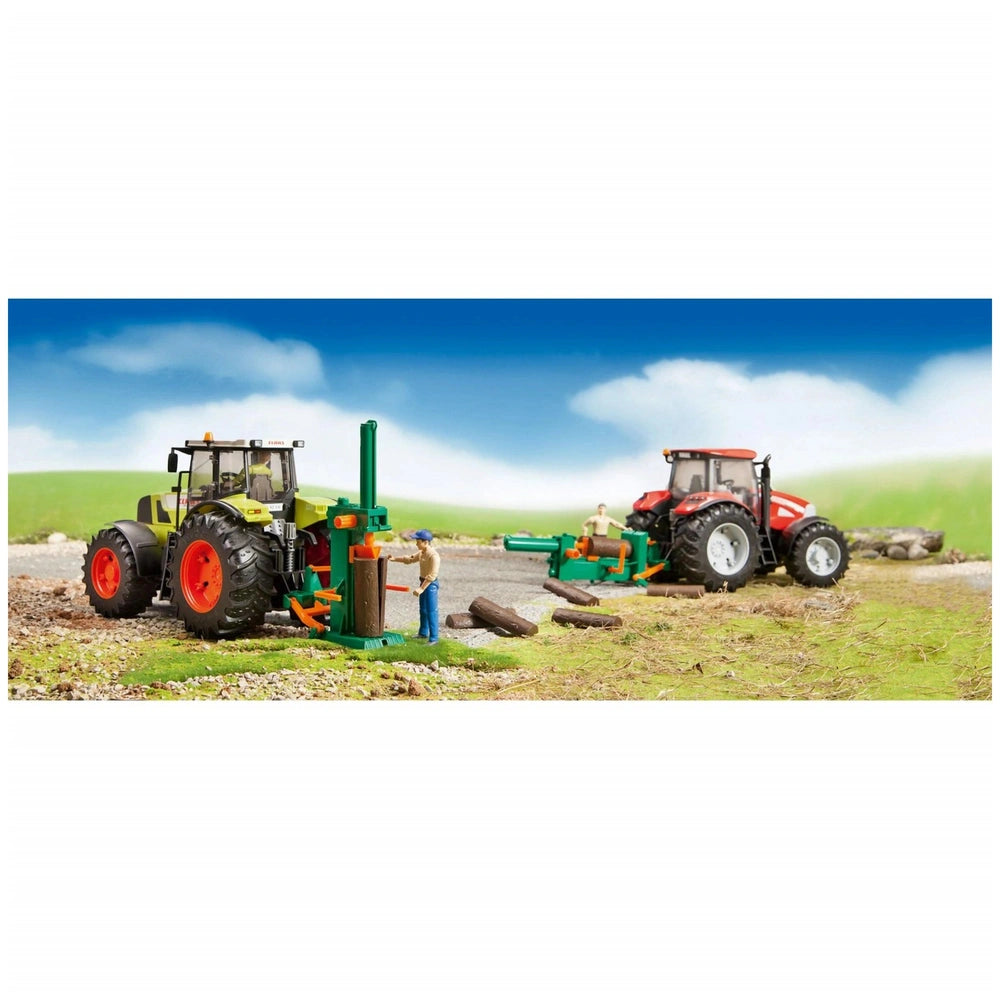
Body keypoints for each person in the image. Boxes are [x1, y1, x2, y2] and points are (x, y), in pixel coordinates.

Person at [388, 529, 440, 644]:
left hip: (430, 585)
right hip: (422, 582)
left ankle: (434, 638)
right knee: (423, 610)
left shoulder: (433, 556)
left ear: (426, 542)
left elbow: (432, 575)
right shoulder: (421, 553)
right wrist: (394, 559)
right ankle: (423, 633)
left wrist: (422, 588)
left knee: (432, 611)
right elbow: (410, 559)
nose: (416, 543)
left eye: (418, 541)